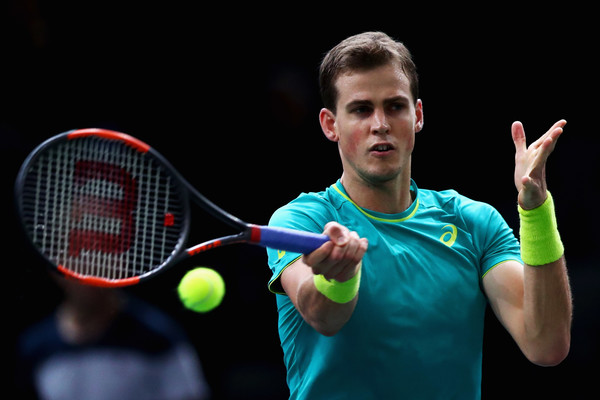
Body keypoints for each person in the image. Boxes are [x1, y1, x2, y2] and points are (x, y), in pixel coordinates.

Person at [266, 31, 572, 399]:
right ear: (330, 124)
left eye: (395, 106)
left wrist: (536, 210)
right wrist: (339, 275)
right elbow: (324, 318)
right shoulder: (303, 221)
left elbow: (547, 345)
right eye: (361, 109)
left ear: (418, 115)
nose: (380, 123)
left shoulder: (474, 223)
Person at [16, 277, 210, 400]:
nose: (89, 276)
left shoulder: (158, 335)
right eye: (78, 265)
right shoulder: (35, 346)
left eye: (97, 265)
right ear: (58, 272)